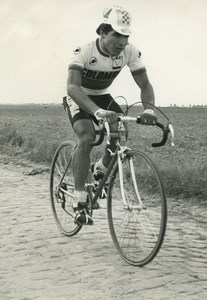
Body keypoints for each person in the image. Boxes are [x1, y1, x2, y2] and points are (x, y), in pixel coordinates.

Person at [63, 5, 157, 225]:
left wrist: (149, 109)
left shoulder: (130, 51)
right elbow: (72, 87)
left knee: (120, 131)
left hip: (103, 96)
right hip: (79, 96)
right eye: (117, 34)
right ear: (102, 32)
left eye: (126, 35)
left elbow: (145, 84)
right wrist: (96, 111)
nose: (122, 42)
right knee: (87, 138)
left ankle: (101, 169)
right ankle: (79, 200)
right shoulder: (84, 51)